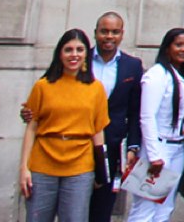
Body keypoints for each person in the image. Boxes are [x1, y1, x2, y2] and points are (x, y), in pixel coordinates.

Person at [19, 28, 110, 222]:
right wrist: (24, 168)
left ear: (86, 54)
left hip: (80, 167)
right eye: (68, 50)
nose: (74, 55)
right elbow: (31, 128)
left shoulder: (96, 89)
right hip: (43, 165)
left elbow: (98, 132)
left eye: (79, 49)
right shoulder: (42, 86)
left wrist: (102, 171)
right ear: (59, 53)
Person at [135, 28, 184, 222]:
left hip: (177, 148)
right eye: (178, 45)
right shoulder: (157, 75)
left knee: (165, 209)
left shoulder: (181, 76)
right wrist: (154, 156)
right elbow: (147, 117)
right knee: (145, 210)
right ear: (167, 47)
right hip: (157, 148)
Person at [86, 13, 142, 222]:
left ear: (122, 34)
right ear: (95, 33)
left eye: (115, 32)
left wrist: (133, 146)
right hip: (79, 143)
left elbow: (135, 111)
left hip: (113, 145)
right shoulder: (79, 59)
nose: (109, 36)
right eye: (104, 31)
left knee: (103, 208)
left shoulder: (132, 66)